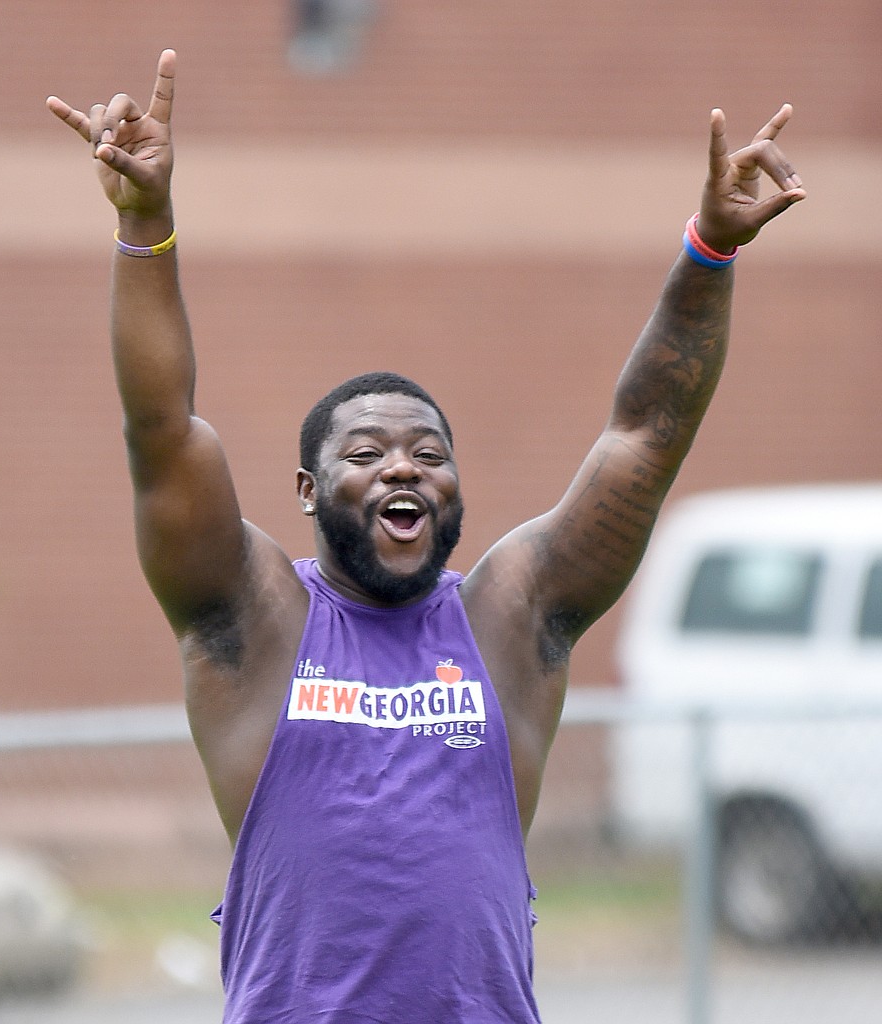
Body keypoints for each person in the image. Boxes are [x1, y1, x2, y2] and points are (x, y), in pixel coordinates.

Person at [47, 49, 805, 1023]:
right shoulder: (253, 618)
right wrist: (144, 223)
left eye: (429, 454)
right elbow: (162, 430)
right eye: (367, 452)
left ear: (454, 489)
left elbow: (645, 437)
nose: (404, 468)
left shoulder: (511, 618)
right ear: (309, 490)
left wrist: (711, 251)